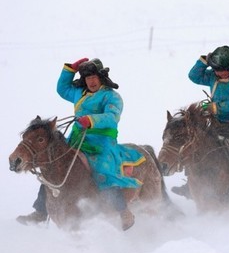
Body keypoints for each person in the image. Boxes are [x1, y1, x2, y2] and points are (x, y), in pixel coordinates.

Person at [17, 58, 142, 230]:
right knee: (51, 168)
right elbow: (62, 89)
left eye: (93, 77)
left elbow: (112, 117)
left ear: (101, 77)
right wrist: (69, 70)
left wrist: (91, 120)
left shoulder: (112, 96)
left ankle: (123, 211)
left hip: (101, 143)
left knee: (103, 171)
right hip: (76, 140)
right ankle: (40, 211)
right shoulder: (79, 93)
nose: (90, 81)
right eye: (87, 78)